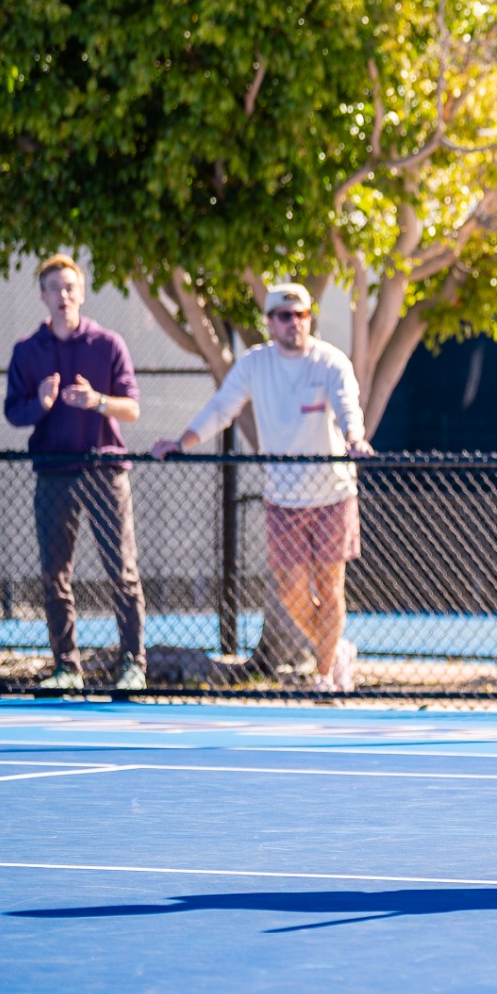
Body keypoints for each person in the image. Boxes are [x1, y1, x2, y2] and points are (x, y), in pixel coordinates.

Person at [152, 284, 373, 693]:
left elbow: (347, 406)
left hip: (333, 493)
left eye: (301, 315)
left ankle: (325, 676)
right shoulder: (255, 364)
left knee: (330, 586)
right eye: (285, 316)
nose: (295, 323)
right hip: (283, 498)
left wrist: (355, 438)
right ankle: (335, 648)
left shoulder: (330, 360)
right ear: (269, 322)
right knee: (292, 592)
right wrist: (181, 441)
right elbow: (222, 408)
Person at [4, 254, 147, 692]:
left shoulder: (108, 344)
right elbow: (13, 412)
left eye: (70, 287)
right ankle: (66, 667)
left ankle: (133, 665)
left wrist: (98, 401)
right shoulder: (27, 350)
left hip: (105, 470)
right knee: (55, 575)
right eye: (54, 288)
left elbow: (132, 408)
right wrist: (41, 404)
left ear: (81, 293)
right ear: (43, 295)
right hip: (54, 472)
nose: (63, 295)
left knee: (122, 571)